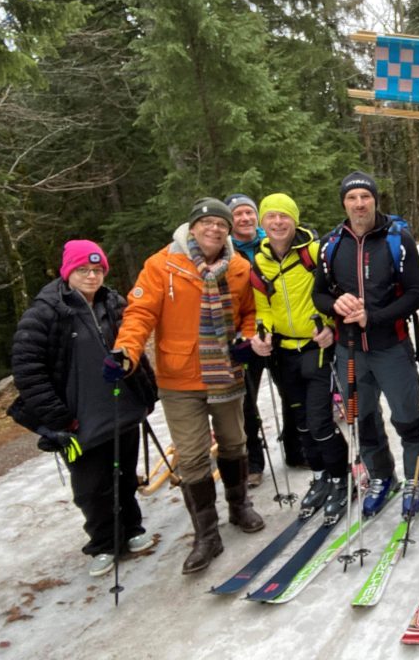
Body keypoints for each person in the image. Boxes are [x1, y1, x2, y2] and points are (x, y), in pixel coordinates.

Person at [110, 199, 264, 575]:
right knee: (193, 456)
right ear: (192, 227)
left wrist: (247, 338)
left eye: (221, 224)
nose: (214, 229)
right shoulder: (162, 265)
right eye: (207, 223)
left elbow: (250, 312)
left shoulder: (240, 267)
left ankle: (239, 505)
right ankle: (206, 535)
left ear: (229, 231)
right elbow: (140, 313)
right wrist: (125, 351)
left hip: (226, 372)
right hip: (179, 378)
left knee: (234, 443)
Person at [11, 240, 156, 577]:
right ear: (68, 272)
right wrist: (59, 418)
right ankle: (104, 543)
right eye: (83, 270)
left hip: (121, 408)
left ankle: (132, 529)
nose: (91, 276)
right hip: (79, 418)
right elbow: (28, 371)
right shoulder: (45, 312)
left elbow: (134, 347)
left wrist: (147, 393)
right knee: (91, 486)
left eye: (97, 270)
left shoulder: (113, 302)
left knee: (124, 475)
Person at [312, 171, 419, 518]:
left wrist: (373, 318)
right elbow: (318, 293)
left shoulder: (397, 239)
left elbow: (415, 295)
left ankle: (416, 477)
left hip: (390, 346)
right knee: (362, 419)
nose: (359, 204)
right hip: (349, 350)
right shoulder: (332, 243)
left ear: (375, 200)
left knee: (407, 417)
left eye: (365, 196)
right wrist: (335, 306)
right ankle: (381, 476)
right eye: (352, 198)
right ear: (344, 203)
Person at [248, 193, 350, 523]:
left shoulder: (314, 252)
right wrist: (261, 333)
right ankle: (321, 477)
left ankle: (340, 479)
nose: (278, 223)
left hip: (316, 347)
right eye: (271, 217)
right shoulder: (259, 261)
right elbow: (263, 306)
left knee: (320, 422)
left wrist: (333, 327)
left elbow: (336, 292)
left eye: (284, 217)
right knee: (302, 423)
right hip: (282, 352)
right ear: (263, 223)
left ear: (295, 220)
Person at [224, 193, 270, 486]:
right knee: (246, 403)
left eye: (249, 213)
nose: (245, 218)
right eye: (238, 214)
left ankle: (296, 450)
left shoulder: (272, 242)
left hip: (275, 331)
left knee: (292, 394)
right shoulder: (224, 253)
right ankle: (254, 462)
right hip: (243, 335)